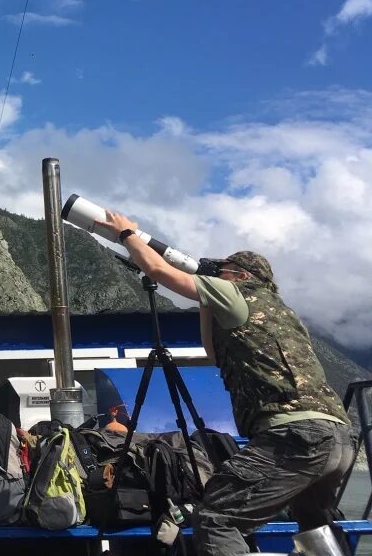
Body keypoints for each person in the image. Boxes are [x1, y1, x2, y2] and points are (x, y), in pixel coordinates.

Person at [98, 210, 356, 556]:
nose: (217, 275)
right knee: (313, 519)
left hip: (294, 436)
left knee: (217, 519)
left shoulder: (238, 292)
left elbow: (159, 270)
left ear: (241, 275)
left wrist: (127, 233)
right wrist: (208, 299)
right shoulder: (282, 311)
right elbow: (214, 353)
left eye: (223, 272)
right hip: (336, 438)